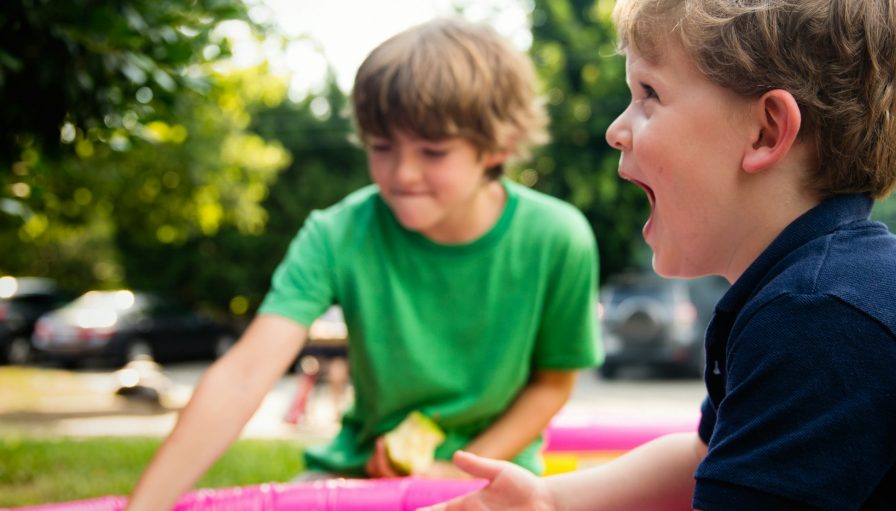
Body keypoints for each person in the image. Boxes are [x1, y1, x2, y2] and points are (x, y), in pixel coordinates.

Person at [421, 0, 896, 510]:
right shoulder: (808, 289)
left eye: (648, 93)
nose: (615, 128)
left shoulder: (825, 316)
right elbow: (704, 457)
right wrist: (553, 501)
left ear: (765, 132)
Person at [126, 17, 603, 510]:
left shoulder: (558, 238)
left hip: (496, 479)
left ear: (496, 148)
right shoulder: (336, 233)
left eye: (433, 151)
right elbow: (246, 373)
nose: (402, 173)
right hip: (358, 475)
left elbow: (551, 384)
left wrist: (452, 470)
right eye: (381, 147)